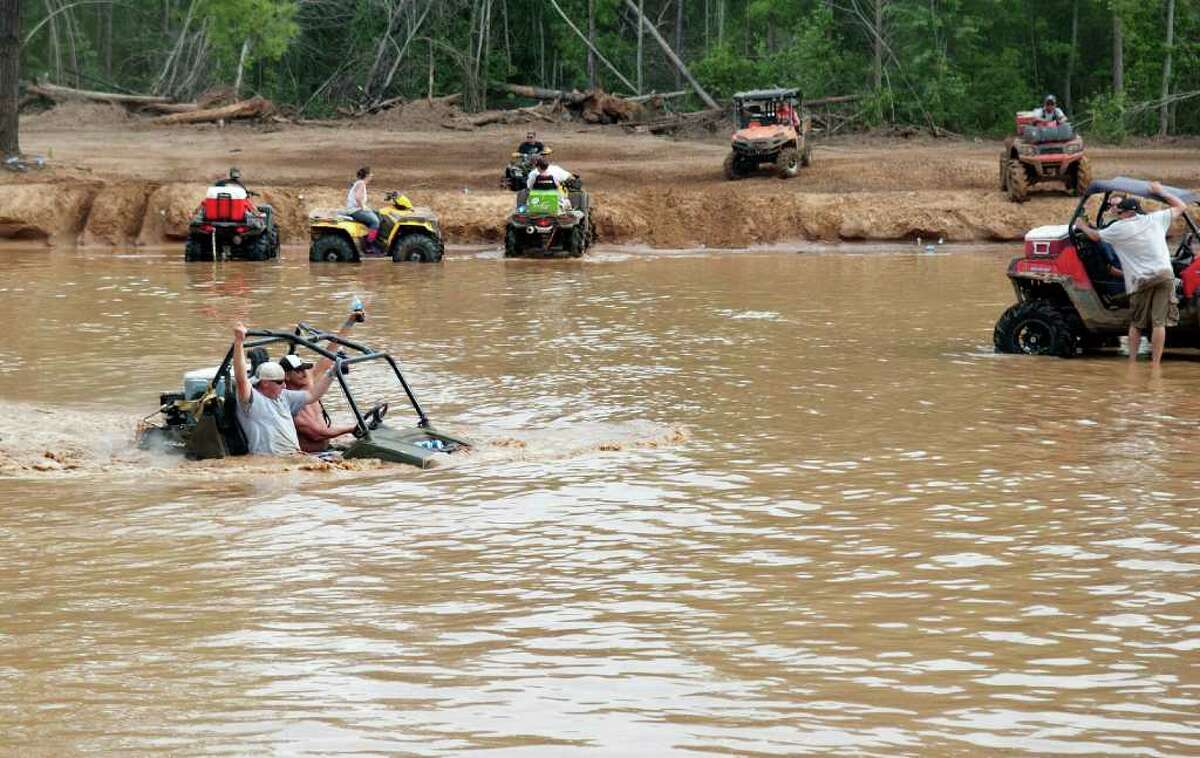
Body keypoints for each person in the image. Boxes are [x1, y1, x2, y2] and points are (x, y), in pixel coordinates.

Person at [1074, 181, 1189, 365]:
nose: (1117, 214)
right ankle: (1155, 365)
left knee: (1137, 323)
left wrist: (1081, 226)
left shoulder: (1118, 228)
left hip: (1141, 280)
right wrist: (1161, 191)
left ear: (1126, 213)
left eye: (1118, 211)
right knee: (1159, 323)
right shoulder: (1155, 219)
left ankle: (1133, 362)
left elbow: (1095, 236)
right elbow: (1181, 206)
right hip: (1165, 275)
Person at [231, 322, 338, 455]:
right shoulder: (250, 400)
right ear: (264, 383)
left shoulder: (285, 396)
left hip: (296, 457)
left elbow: (313, 395)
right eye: (280, 382)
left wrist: (334, 372)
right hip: (271, 460)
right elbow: (241, 379)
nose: (284, 385)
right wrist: (239, 342)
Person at [281, 309, 363, 453]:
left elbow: (331, 351)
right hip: (311, 456)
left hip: (329, 448)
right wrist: (351, 428)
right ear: (286, 376)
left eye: (304, 367)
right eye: (298, 370)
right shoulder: (288, 402)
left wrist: (350, 322)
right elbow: (317, 433)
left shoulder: (309, 379)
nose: (304, 373)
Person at [346, 166, 381, 253]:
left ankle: (372, 236)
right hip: (355, 210)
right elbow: (358, 198)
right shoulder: (361, 184)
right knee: (375, 221)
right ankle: (368, 245)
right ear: (367, 175)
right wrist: (363, 207)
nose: (372, 175)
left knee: (379, 214)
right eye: (371, 174)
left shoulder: (359, 183)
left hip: (355, 208)